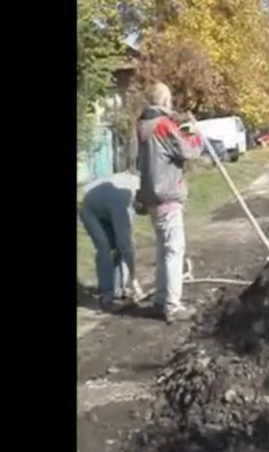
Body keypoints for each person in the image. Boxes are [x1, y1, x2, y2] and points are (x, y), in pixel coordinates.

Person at [136, 82, 202, 323]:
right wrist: (193, 130)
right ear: (165, 101)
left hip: (152, 197)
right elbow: (189, 151)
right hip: (167, 195)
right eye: (170, 101)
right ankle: (172, 306)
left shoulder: (144, 125)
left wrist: (178, 121)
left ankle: (160, 299)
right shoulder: (163, 126)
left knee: (164, 249)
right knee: (174, 250)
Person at [79, 172, 141, 312]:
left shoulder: (135, 187)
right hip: (90, 210)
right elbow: (124, 242)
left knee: (120, 248)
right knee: (104, 248)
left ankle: (120, 290)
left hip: (105, 206)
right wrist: (133, 276)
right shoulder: (122, 202)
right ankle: (106, 296)